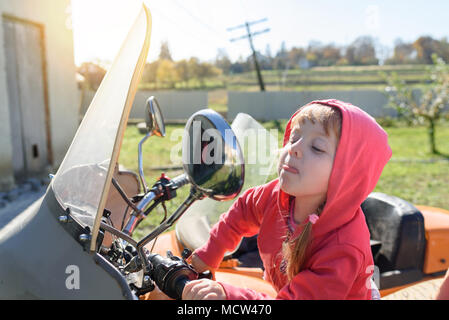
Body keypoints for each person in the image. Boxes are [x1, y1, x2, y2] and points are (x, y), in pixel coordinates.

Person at [182, 99, 392, 300]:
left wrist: (229, 296)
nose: (294, 148)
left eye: (317, 147)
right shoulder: (276, 195)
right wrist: (210, 253)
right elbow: (243, 211)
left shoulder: (343, 248)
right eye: (294, 137)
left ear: (348, 173)